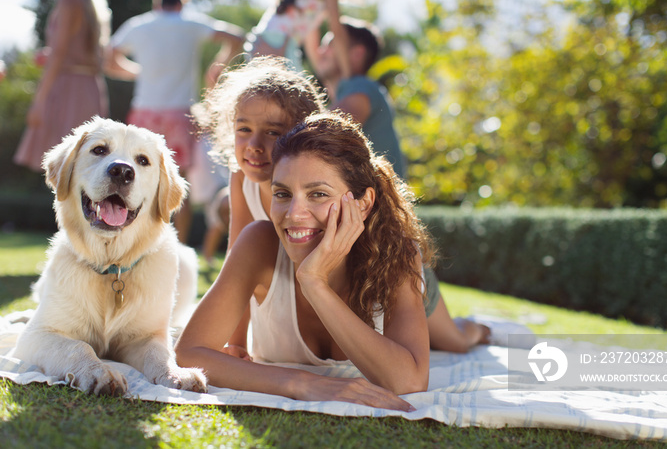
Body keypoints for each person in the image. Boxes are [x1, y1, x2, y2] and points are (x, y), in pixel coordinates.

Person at [197, 56, 491, 355]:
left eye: (273, 132)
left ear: (304, 133)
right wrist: (235, 343)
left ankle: (474, 328)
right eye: (243, 129)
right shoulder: (241, 178)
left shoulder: (331, 181)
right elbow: (237, 260)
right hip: (321, 285)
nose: (254, 145)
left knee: (452, 341)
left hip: (385, 269)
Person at [176, 111, 431, 408]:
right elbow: (190, 352)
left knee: (454, 338)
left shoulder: (397, 251)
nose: (294, 214)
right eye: (282, 194)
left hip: (388, 267)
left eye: (318, 194)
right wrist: (302, 383)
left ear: (364, 203)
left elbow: (408, 382)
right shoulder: (259, 243)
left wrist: (314, 283)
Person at [104, 0, 245, 244]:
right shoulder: (191, 23)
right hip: (181, 114)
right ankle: (176, 246)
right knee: (177, 183)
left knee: (137, 180)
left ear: (158, 4)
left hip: (145, 114)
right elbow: (237, 37)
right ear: (182, 3)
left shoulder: (139, 25)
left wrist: (137, 72)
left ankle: (137, 241)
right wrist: (217, 68)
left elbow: (109, 57)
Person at [14, 0, 111, 173]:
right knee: (84, 164)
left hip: (68, 88)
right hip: (91, 86)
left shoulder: (69, 1)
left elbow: (59, 52)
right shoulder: (93, 2)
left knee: (62, 165)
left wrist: (39, 101)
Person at [307, 17, 406, 177]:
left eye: (330, 45)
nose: (320, 52)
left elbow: (323, 133)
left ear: (357, 54)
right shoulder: (351, 90)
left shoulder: (361, 87)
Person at [247, 0, 362, 74]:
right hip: (275, 41)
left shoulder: (318, 4)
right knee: (295, 93)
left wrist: (322, 74)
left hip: (282, 43)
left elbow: (311, 41)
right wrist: (347, 73)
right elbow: (337, 30)